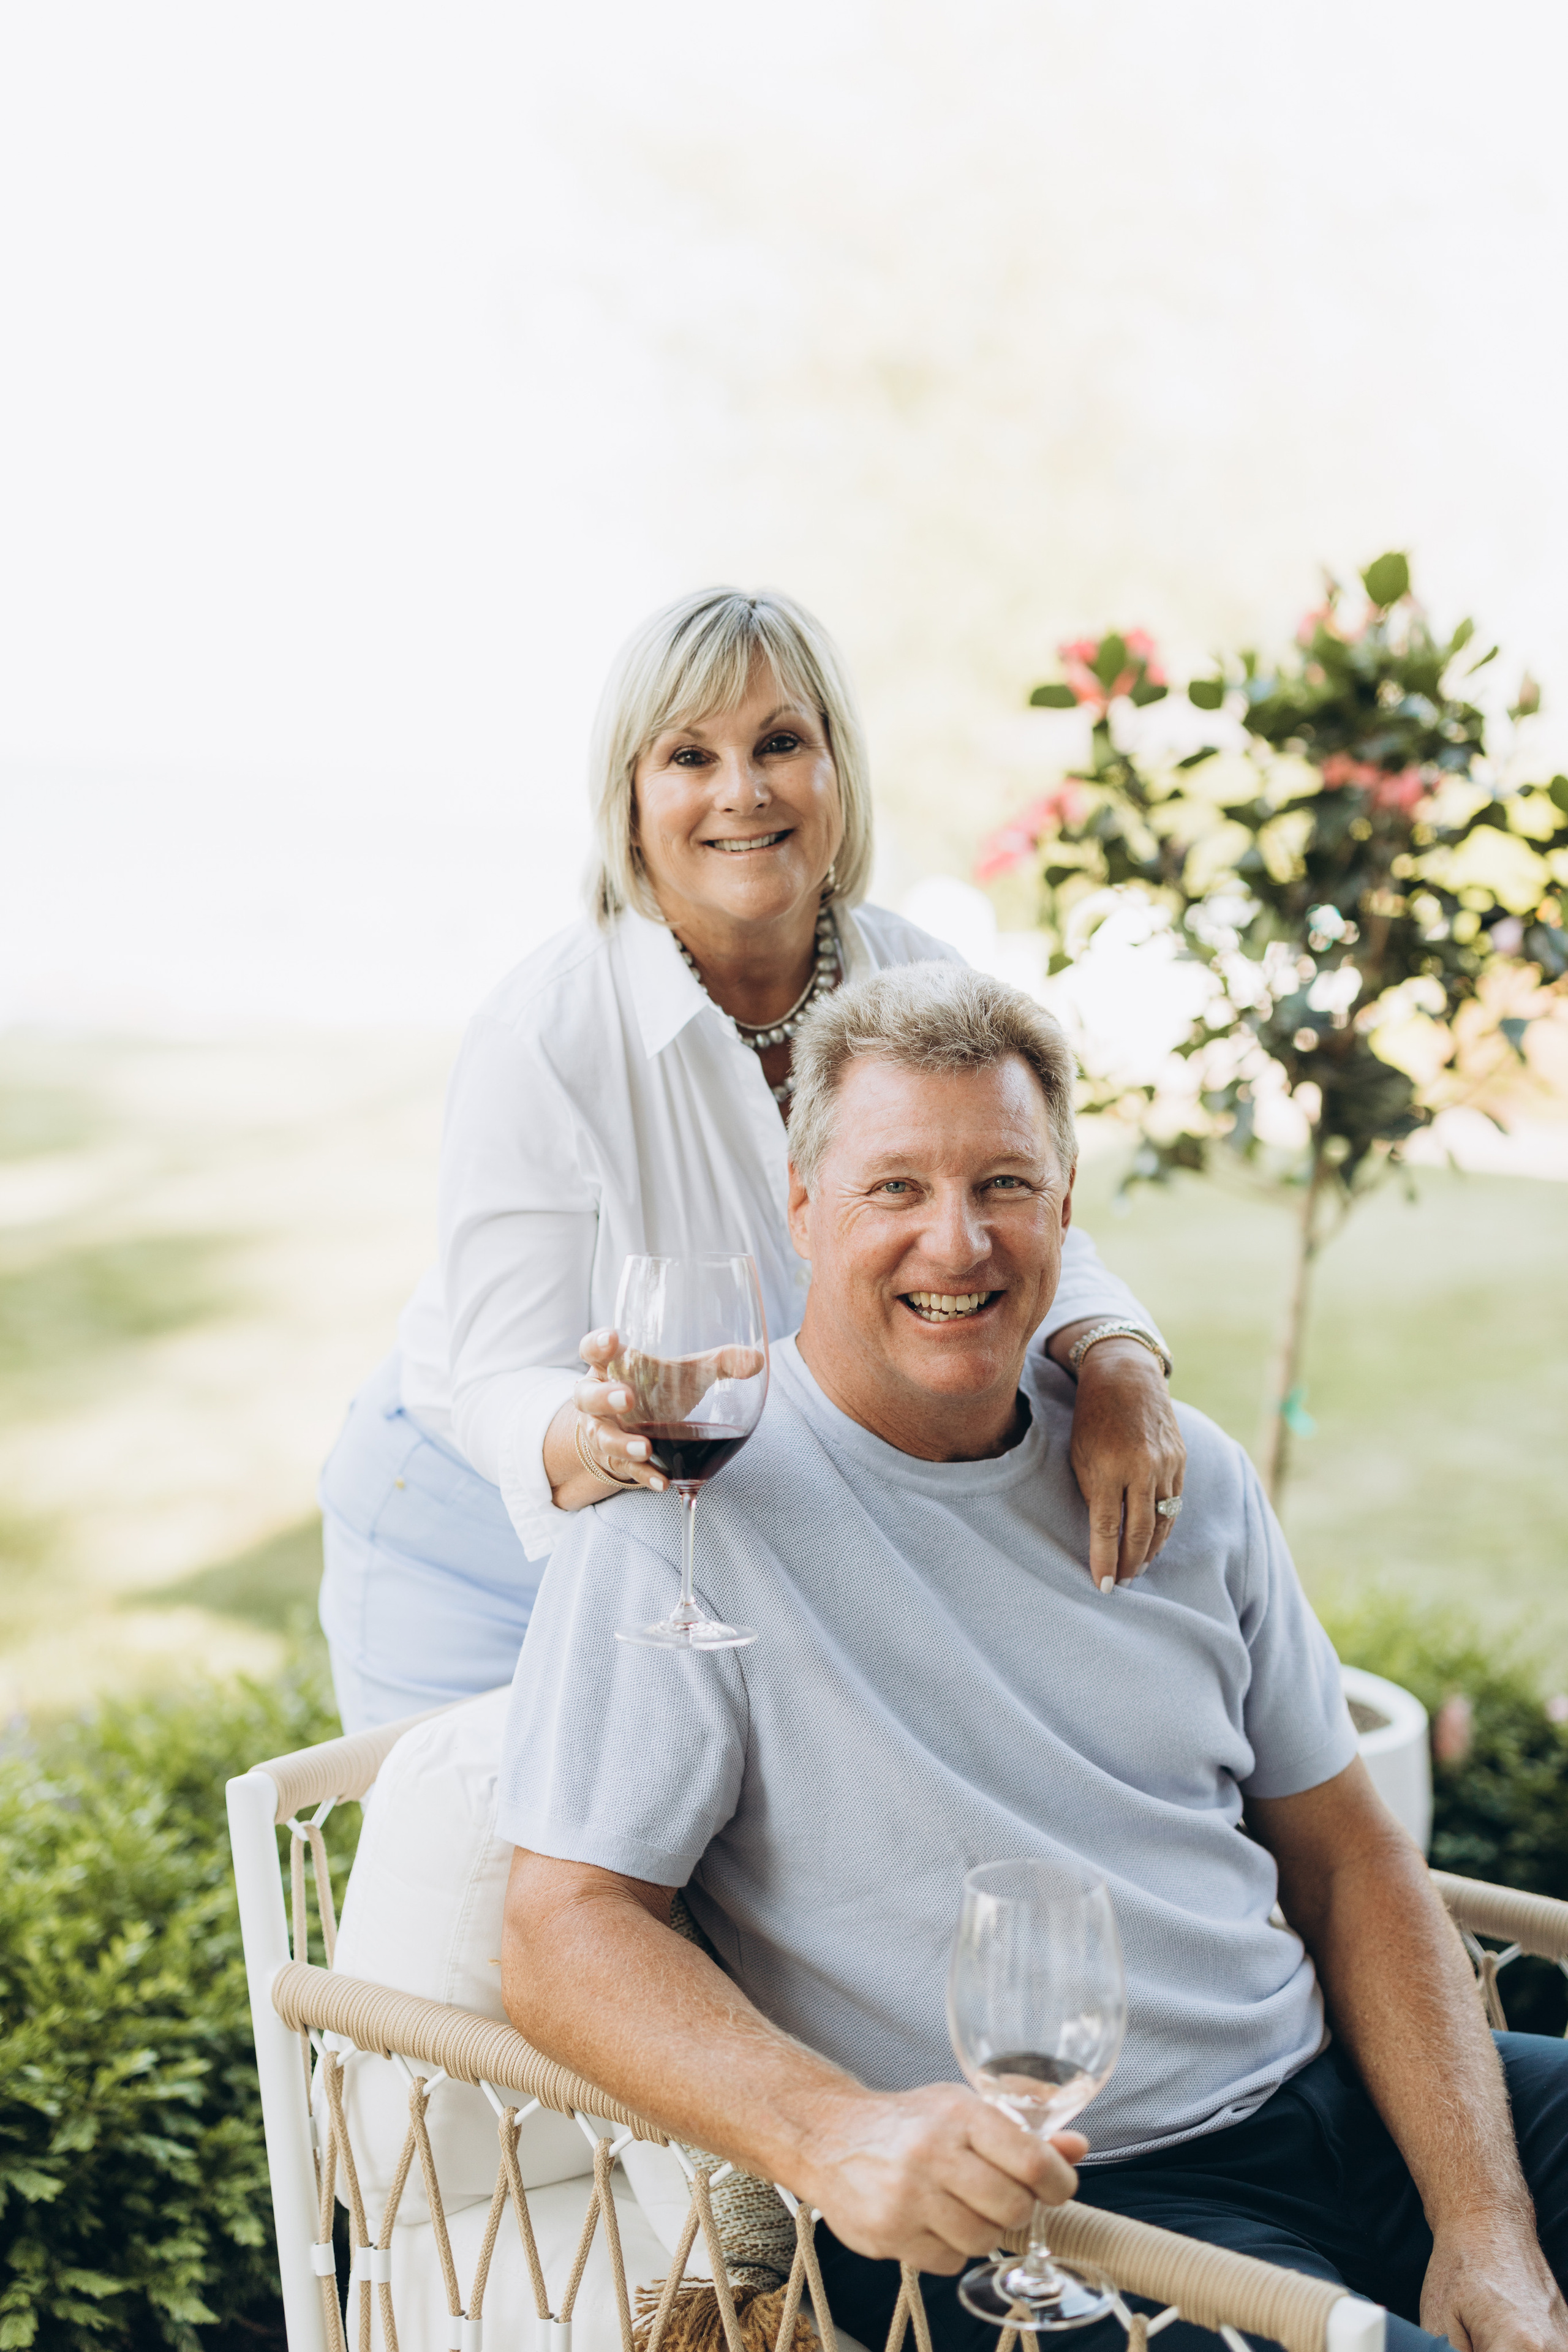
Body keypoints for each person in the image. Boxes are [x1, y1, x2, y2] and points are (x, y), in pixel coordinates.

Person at [497, 963, 1568, 2352]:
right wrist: (836, 2136)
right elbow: (562, 1928)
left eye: (1003, 1184)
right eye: (894, 1188)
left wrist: (1484, 2225)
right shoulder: (684, 1510)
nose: (956, 1244)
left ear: (1065, 1210)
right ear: (802, 1207)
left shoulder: (1184, 1478)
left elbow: (1349, 1855)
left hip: (1339, 2094)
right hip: (1048, 2217)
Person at [318, 587, 1185, 1734]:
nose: (743, 791)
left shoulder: (918, 975)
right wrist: (608, 1434)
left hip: (716, 1525)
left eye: (780, 743)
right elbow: (493, 1384)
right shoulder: (545, 1034)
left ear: (837, 769)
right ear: (630, 799)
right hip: (469, 1528)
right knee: (481, 1842)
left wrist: (1120, 1363)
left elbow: (1007, 1204)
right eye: (691, 756)